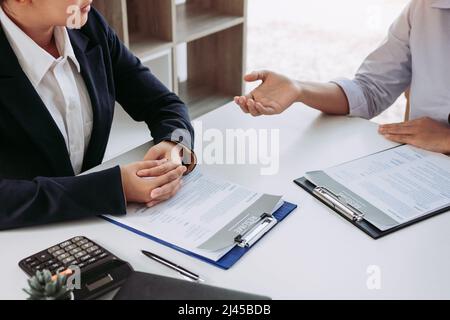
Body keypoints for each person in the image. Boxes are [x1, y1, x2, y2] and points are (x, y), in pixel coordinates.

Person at [0, 0, 196, 230]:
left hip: (92, 226)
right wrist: (114, 188)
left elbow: (163, 102)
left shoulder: (88, 25)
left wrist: (175, 144)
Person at [234, 0, 450, 155]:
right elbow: (370, 91)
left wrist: (446, 139)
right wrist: (299, 89)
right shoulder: (423, 8)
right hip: (424, 166)